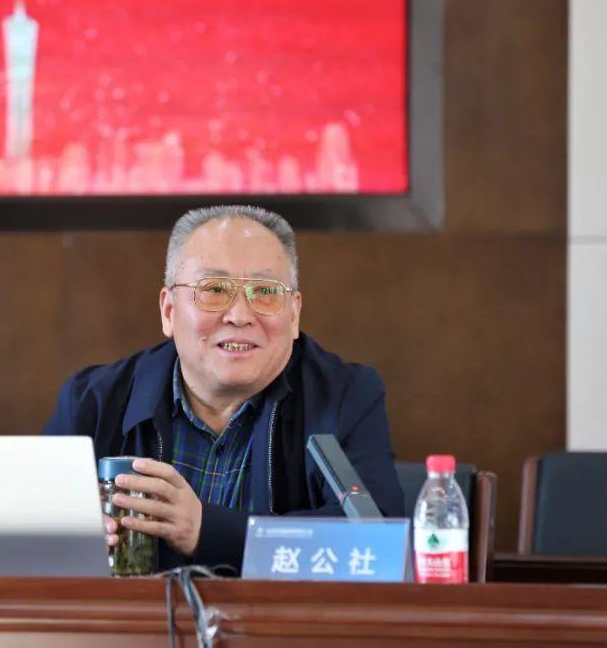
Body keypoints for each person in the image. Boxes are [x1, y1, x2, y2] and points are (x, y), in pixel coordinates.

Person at [44, 205, 403, 572]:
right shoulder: (94, 401)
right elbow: (31, 531)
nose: (240, 316)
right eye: (214, 290)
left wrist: (207, 531)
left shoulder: (345, 397)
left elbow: (378, 543)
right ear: (169, 311)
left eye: (265, 291)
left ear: (294, 314)